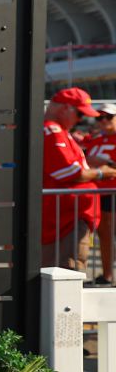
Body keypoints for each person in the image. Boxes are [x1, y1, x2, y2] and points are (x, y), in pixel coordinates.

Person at [44, 87, 115, 274]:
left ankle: (107, 275)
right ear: (65, 108)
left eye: (108, 117)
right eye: (80, 114)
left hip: (72, 216)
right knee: (68, 275)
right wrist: (101, 172)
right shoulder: (53, 131)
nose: (81, 120)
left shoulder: (60, 131)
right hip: (64, 220)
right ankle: (107, 276)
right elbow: (70, 171)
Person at [85, 102, 116, 285]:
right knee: (104, 236)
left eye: (108, 117)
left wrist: (108, 164)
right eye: (99, 117)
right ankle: (107, 275)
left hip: (113, 192)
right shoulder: (96, 140)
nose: (103, 121)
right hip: (98, 193)